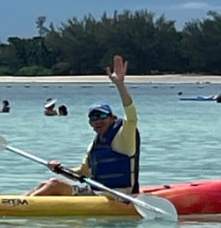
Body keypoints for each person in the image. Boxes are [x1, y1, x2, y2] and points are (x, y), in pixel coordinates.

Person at [27, 55, 139, 196]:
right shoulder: (95, 144)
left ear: (112, 118)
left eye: (102, 116)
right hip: (96, 193)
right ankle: (18, 202)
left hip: (117, 195)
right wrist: (59, 169)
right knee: (47, 183)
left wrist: (120, 85)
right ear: (90, 123)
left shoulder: (124, 138)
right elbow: (82, 173)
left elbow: (132, 117)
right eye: (93, 117)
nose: (97, 120)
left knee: (54, 185)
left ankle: (16, 208)